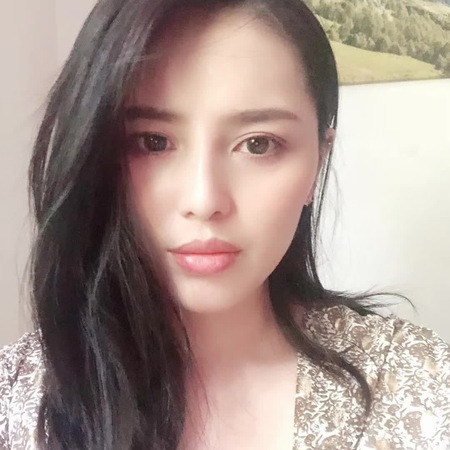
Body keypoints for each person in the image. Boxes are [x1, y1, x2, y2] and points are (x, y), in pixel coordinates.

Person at [1, 0, 449, 449]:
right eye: (153, 142)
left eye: (258, 144)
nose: (204, 201)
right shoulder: (14, 395)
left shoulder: (419, 388)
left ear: (318, 161)